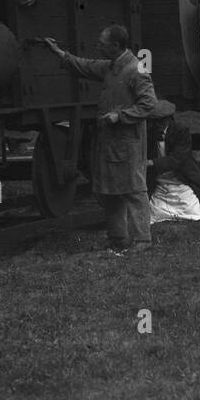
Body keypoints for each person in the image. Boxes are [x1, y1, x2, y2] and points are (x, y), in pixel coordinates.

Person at [43, 25, 158, 254]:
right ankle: (118, 238)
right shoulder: (111, 67)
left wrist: (120, 116)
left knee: (134, 190)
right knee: (111, 190)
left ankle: (143, 240)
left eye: (102, 44)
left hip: (128, 142)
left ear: (116, 46)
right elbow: (85, 66)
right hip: (112, 142)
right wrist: (60, 53)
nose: (98, 47)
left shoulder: (137, 69)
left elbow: (148, 105)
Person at [146, 101, 200, 222]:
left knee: (190, 208)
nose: (157, 125)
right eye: (154, 121)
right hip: (160, 180)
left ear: (168, 119)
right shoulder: (150, 133)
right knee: (154, 208)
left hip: (181, 177)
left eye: (161, 121)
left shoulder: (181, 131)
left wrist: (152, 163)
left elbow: (178, 158)